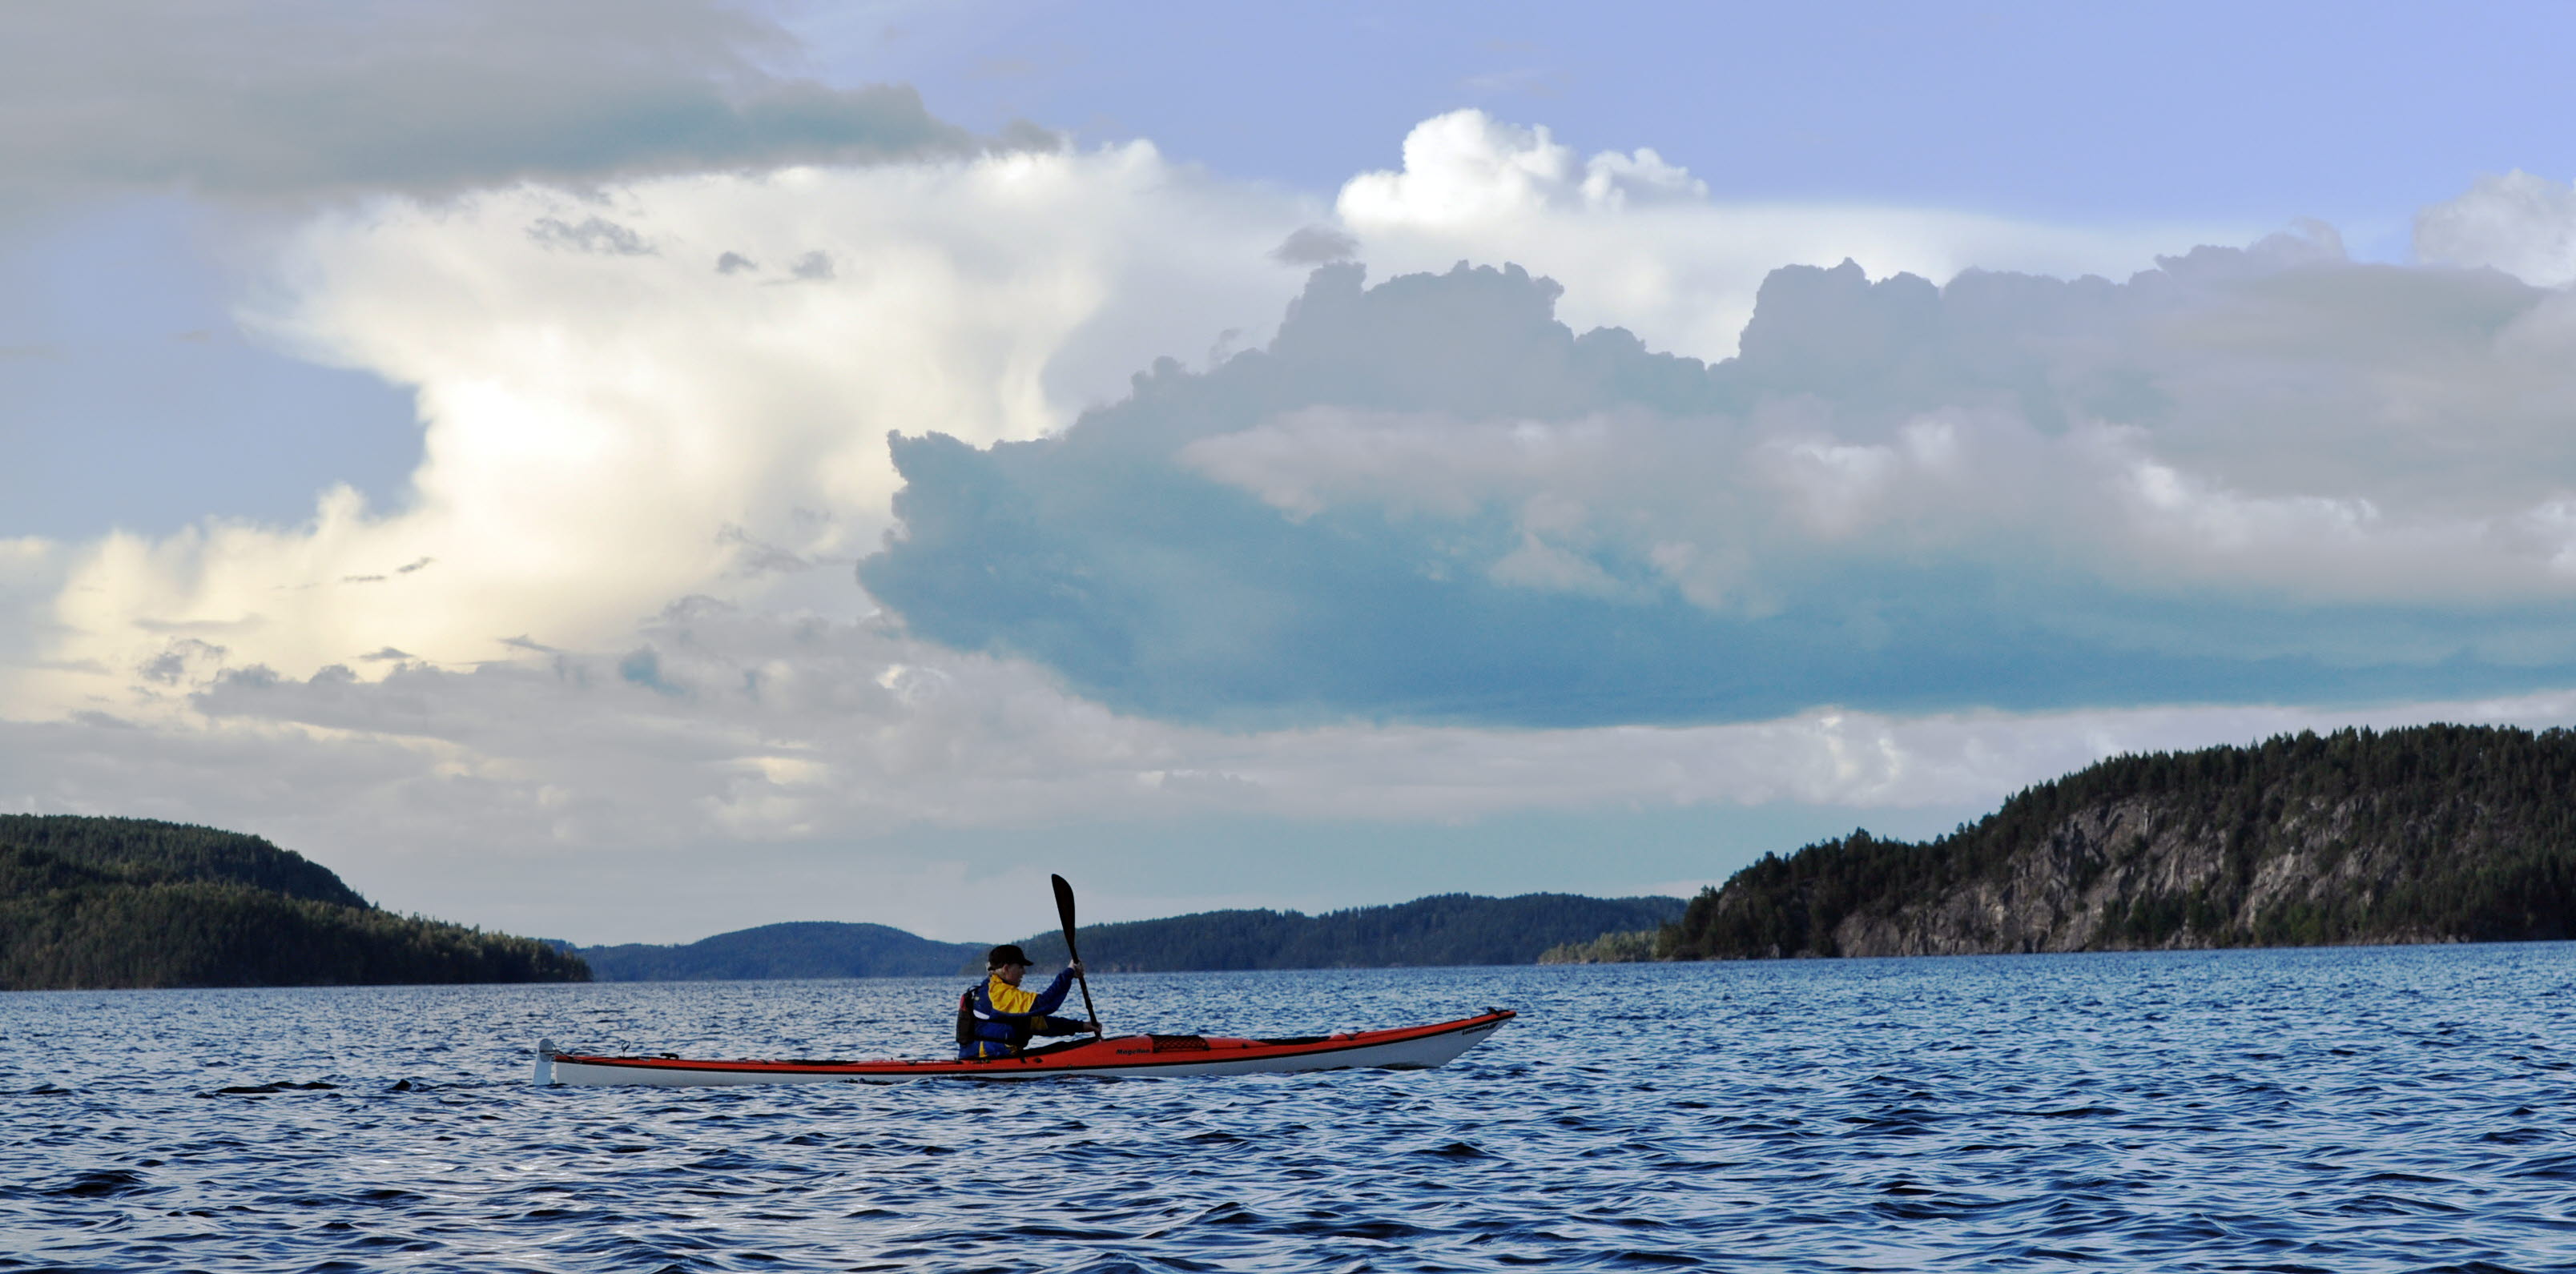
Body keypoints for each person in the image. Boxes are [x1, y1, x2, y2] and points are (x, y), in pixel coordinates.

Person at [956, 944, 1094, 1059]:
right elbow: (1045, 1004)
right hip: (986, 1062)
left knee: (1065, 1047)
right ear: (1006, 968)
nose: (1024, 972)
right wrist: (1069, 972)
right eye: (1021, 967)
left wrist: (1080, 1027)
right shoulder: (997, 994)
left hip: (995, 1057)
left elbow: (1038, 1023)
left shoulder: (995, 991)